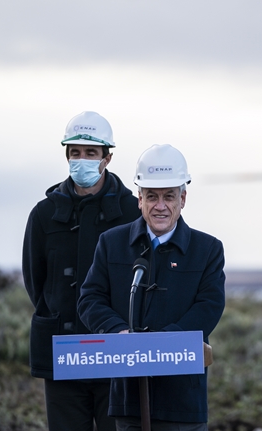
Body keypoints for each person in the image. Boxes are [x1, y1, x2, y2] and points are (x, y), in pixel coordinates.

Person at [77, 144, 225, 431]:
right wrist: (118, 332)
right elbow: (90, 299)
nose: (160, 206)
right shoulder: (112, 243)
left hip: (183, 402)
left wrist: (164, 346)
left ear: (183, 198)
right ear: (139, 199)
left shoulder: (207, 249)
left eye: (169, 196)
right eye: (152, 197)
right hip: (128, 399)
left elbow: (209, 307)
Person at [22, 111, 141, 431]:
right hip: (62, 352)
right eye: (75, 152)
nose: (82, 160)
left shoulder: (133, 212)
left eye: (91, 153)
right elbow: (36, 282)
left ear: (107, 157)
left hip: (116, 355)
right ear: (66, 155)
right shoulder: (44, 214)